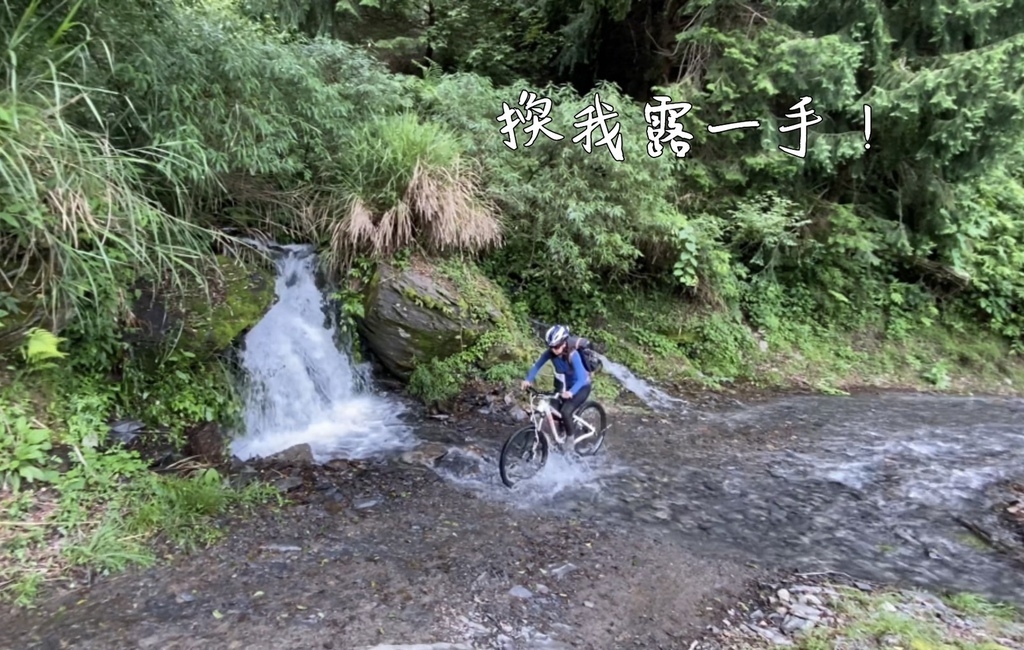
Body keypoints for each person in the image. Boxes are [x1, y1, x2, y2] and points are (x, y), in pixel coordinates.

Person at [520, 324, 591, 442]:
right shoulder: (551, 353)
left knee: (566, 411)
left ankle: (570, 442)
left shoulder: (573, 355)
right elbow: (537, 366)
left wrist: (571, 392)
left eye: (557, 346)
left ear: (564, 343)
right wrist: (528, 379)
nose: (554, 349)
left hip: (581, 387)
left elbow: (581, 379)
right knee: (554, 407)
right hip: (564, 386)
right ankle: (562, 430)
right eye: (551, 347)